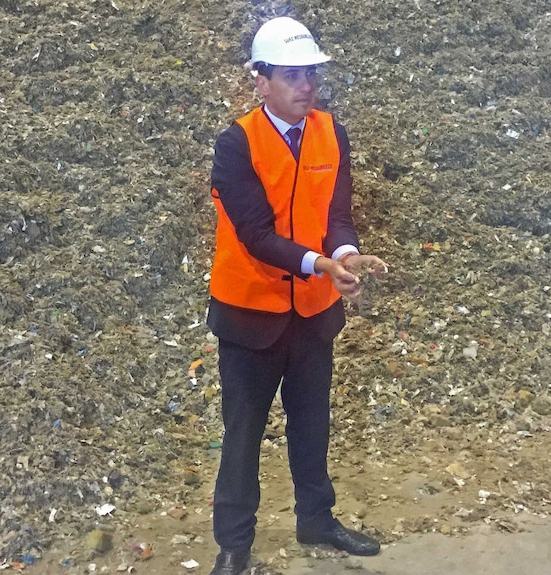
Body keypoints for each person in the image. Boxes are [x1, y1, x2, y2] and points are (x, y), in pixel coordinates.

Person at [206, 16, 388, 575]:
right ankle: (234, 544)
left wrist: (348, 252)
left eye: (309, 73)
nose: (305, 85)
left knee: (312, 424)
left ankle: (316, 519)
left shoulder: (331, 132)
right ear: (260, 81)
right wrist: (323, 265)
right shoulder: (237, 144)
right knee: (243, 434)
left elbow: (336, 213)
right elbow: (256, 233)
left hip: (311, 314)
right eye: (290, 75)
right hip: (250, 314)